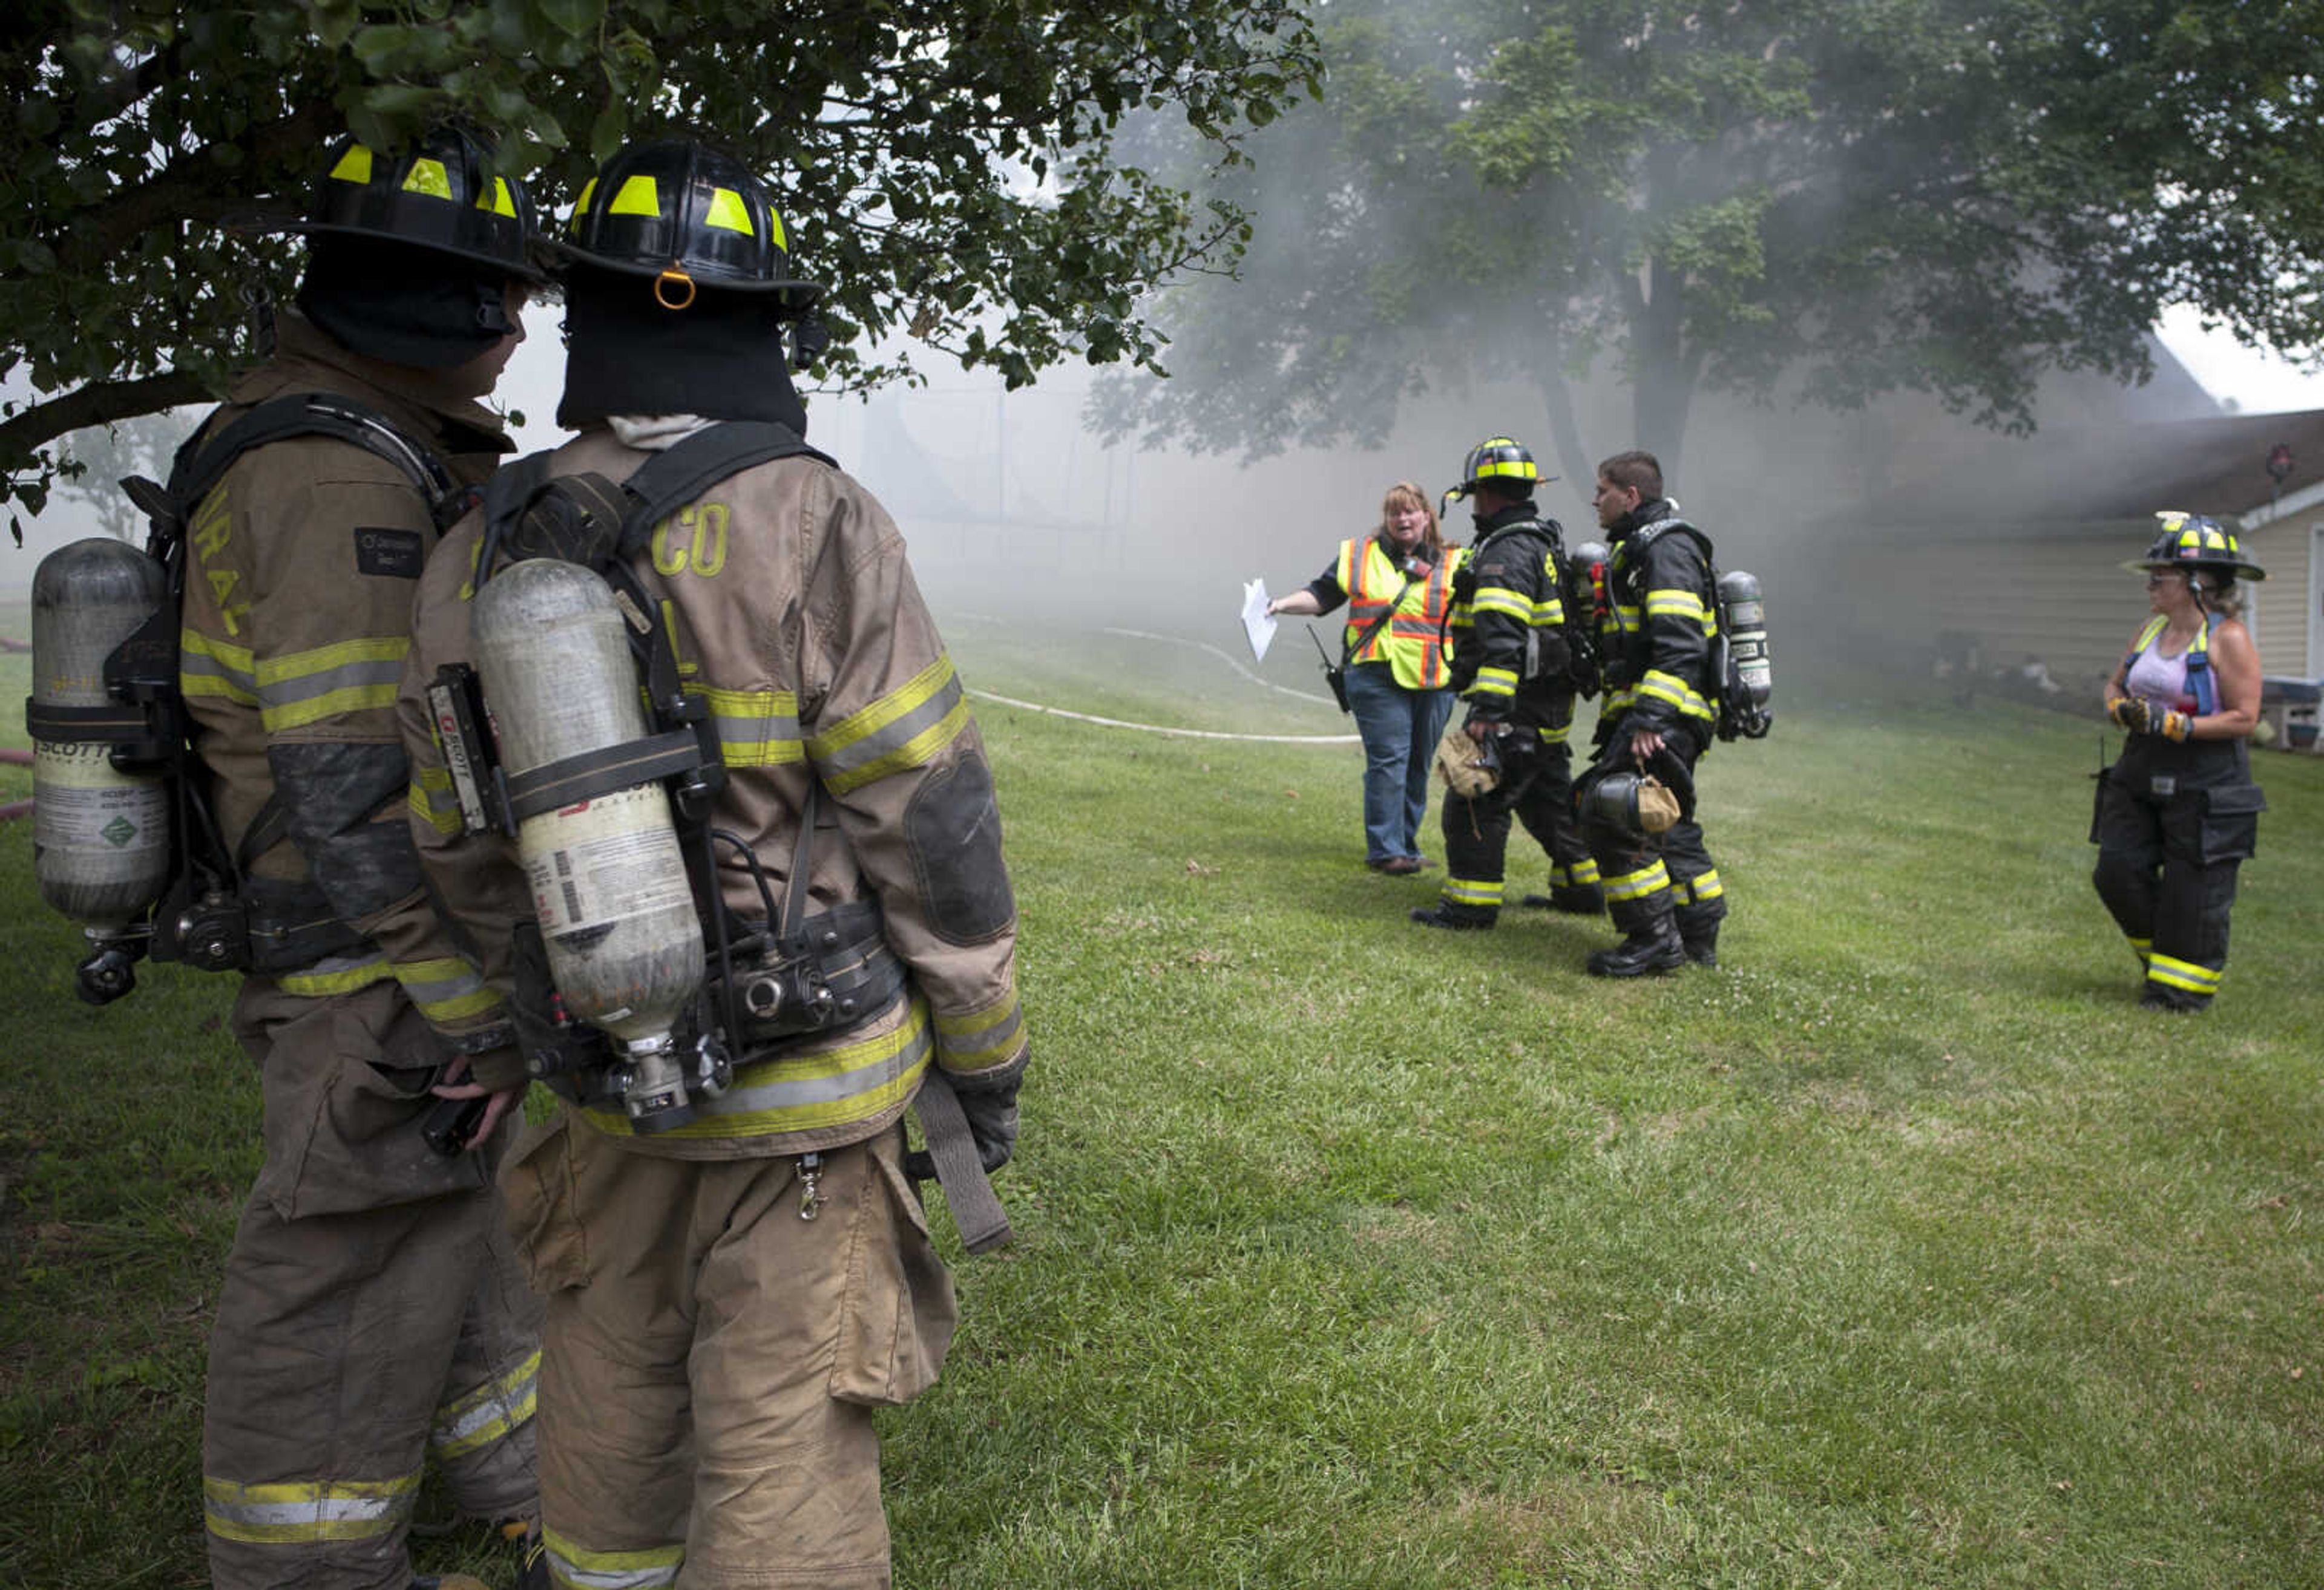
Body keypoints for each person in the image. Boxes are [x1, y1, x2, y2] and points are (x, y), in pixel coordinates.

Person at [396, 138, 1029, 1590]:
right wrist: (984, 1057)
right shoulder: (813, 517)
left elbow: (451, 830)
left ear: (587, 322)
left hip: (604, 1096)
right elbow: (930, 821)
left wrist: (527, 1024)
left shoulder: (478, 547)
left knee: (606, 1421)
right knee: (786, 1463)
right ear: (767, 323)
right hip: (805, 1111)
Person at [179, 129, 545, 1590]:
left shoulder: (345, 433)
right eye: (501, 296)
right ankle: (307, 1569)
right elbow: (351, 784)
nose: (522, 326)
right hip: (364, 949)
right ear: (435, 303)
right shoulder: (340, 478)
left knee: (434, 1214)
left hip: (373, 944)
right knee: (339, 1253)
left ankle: (512, 1479)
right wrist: (470, 1004)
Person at [1408, 437, 1602, 930]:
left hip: (1517, 711)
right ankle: (1582, 890)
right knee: (1548, 802)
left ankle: (1469, 908)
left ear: (1487, 492)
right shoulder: (1538, 540)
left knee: (1477, 799)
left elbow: (1504, 639)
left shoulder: (1508, 551)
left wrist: (1489, 712)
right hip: (1547, 708)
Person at [2093, 512, 2268, 1011]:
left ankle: (2179, 994)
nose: (2150, 585)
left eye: (2160, 577)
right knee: (2116, 871)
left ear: (2197, 583)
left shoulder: (2228, 638)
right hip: (2139, 770)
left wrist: (2179, 725)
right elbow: (2115, 683)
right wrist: (2116, 707)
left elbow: (2245, 717)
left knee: (2192, 892)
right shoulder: (2150, 630)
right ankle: (2164, 965)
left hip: (2206, 781)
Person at [1576, 450, 1727, 975]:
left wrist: (1651, 721)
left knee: (1616, 815)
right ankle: (1697, 931)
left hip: (1667, 718)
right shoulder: (1641, 549)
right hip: (1664, 717)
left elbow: (1681, 645)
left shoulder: (1666, 551)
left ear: (1631, 495)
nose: (1595, 500)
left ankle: (1654, 941)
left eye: (1603, 490)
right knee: (1668, 820)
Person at [1266, 483, 1460, 873]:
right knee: (1390, 760)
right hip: (1376, 673)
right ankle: (1386, 851)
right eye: (1394, 513)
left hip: (1435, 677)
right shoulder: (1359, 555)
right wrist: (1280, 605)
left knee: (1418, 763)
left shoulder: (1455, 560)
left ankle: (1407, 843)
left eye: (1410, 511)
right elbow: (1321, 595)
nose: (1402, 519)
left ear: (1426, 515)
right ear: (1385, 519)